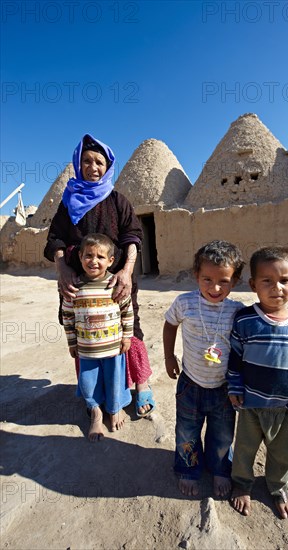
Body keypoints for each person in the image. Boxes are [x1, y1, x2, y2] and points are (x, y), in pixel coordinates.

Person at [44, 134, 155, 417]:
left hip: (115, 279)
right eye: (86, 161)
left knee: (131, 329)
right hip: (77, 283)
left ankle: (141, 384)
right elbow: (54, 238)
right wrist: (63, 269)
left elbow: (133, 236)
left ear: (107, 167)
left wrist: (127, 272)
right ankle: (96, 394)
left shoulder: (118, 201)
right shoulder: (68, 202)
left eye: (99, 162)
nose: (93, 167)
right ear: (78, 165)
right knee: (84, 331)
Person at [227, 246, 288, 519]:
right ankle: (242, 485)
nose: (276, 287)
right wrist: (234, 387)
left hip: (287, 405)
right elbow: (235, 358)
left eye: (284, 280)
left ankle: (277, 488)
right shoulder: (245, 320)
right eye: (266, 280)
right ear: (254, 285)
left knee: (282, 454)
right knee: (244, 449)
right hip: (252, 402)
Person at [163, 240, 245, 497]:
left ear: (236, 280)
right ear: (196, 275)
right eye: (207, 279)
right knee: (187, 430)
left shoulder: (238, 311)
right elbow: (169, 324)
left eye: (224, 281)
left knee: (222, 434)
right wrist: (169, 357)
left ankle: (220, 469)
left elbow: (260, 330)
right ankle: (188, 469)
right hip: (190, 383)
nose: (215, 287)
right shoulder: (185, 303)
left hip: (224, 388)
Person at [62, 234, 133, 441]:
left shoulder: (114, 284)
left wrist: (127, 337)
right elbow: (68, 316)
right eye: (89, 256)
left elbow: (127, 311)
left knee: (115, 380)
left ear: (110, 260)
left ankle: (114, 408)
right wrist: (72, 342)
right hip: (86, 349)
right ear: (80, 256)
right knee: (88, 381)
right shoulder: (75, 287)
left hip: (113, 347)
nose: (94, 261)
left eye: (100, 257)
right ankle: (95, 412)